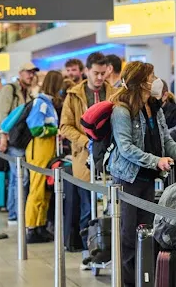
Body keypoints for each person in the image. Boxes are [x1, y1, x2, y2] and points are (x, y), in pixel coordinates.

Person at [108, 61, 176, 287]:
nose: (156, 80)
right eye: (152, 76)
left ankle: (144, 278)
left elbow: (165, 140)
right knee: (127, 235)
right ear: (141, 82)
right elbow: (125, 148)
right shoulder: (122, 110)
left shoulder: (154, 106)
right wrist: (156, 161)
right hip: (128, 178)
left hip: (148, 178)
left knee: (146, 231)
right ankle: (127, 282)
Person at [59, 51, 114, 269]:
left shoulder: (114, 93)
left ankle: (108, 251)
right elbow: (65, 126)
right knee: (86, 208)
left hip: (110, 158)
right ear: (87, 71)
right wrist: (86, 141)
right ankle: (88, 251)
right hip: (83, 159)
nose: (100, 77)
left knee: (110, 208)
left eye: (103, 73)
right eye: (96, 73)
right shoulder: (73, 95)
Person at [24, 71, 65, 243]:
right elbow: (35, 129)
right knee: (37, 189)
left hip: (47, 149)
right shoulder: (41, 103)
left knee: (45, 189)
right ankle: (31, 227)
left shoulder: (47, 103)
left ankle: (40, 225)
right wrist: (56, 131)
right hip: (39, 149)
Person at [0, 62, 39, 225]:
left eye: (32, 73)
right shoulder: (9, 90)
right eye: (28, 72)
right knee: (21, 177)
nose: (31, 75)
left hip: (22, 139)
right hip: (12, 139)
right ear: (20, 73)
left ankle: (14, 212)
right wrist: (3, 137)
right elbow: (3, 114)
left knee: (17, 177)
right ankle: (15, 214)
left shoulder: (27, 92)